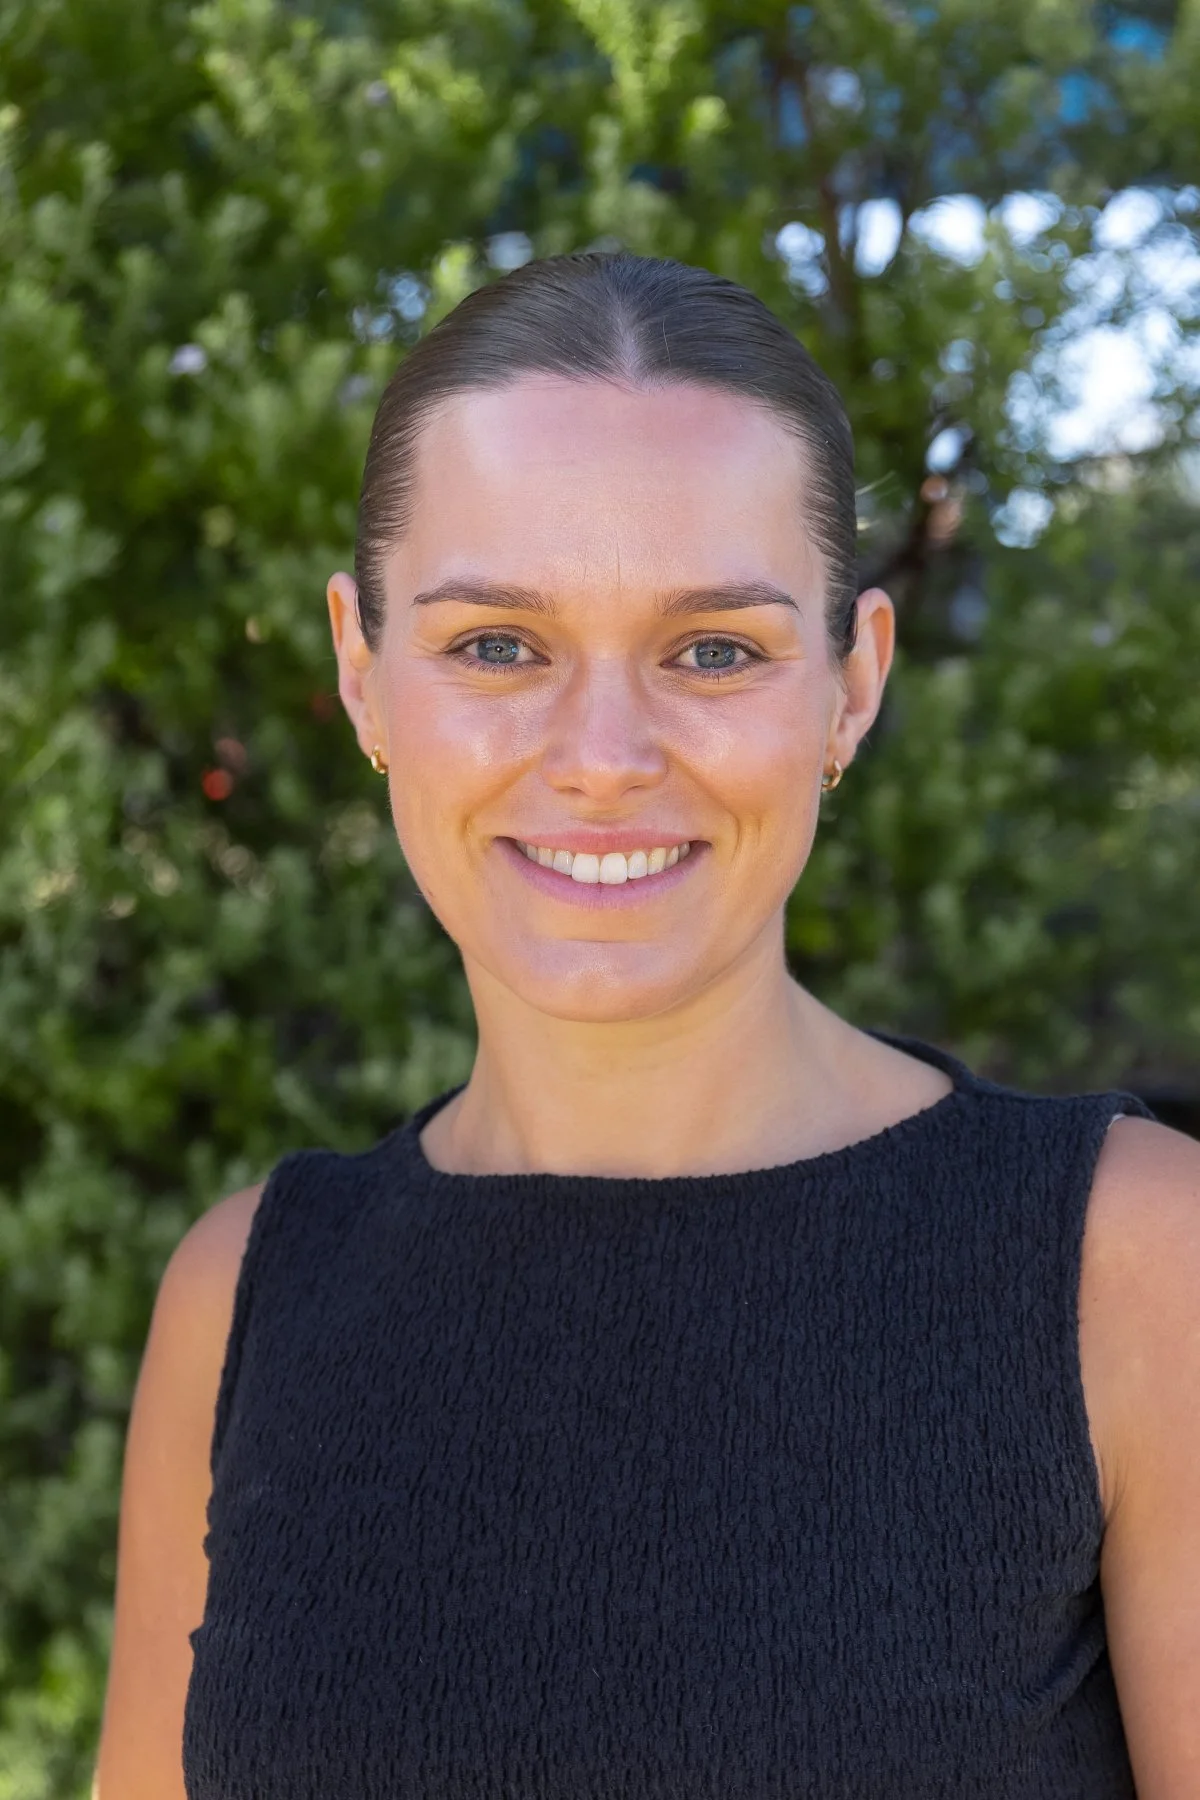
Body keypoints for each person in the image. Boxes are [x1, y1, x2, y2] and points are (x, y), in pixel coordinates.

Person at [95, 252, 1200, 1800]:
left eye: (713, 651)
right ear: (361, 671)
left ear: (850, 685)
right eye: (497, 645)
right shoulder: (247, 1293)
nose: (602, 756)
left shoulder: (1136, 1269)